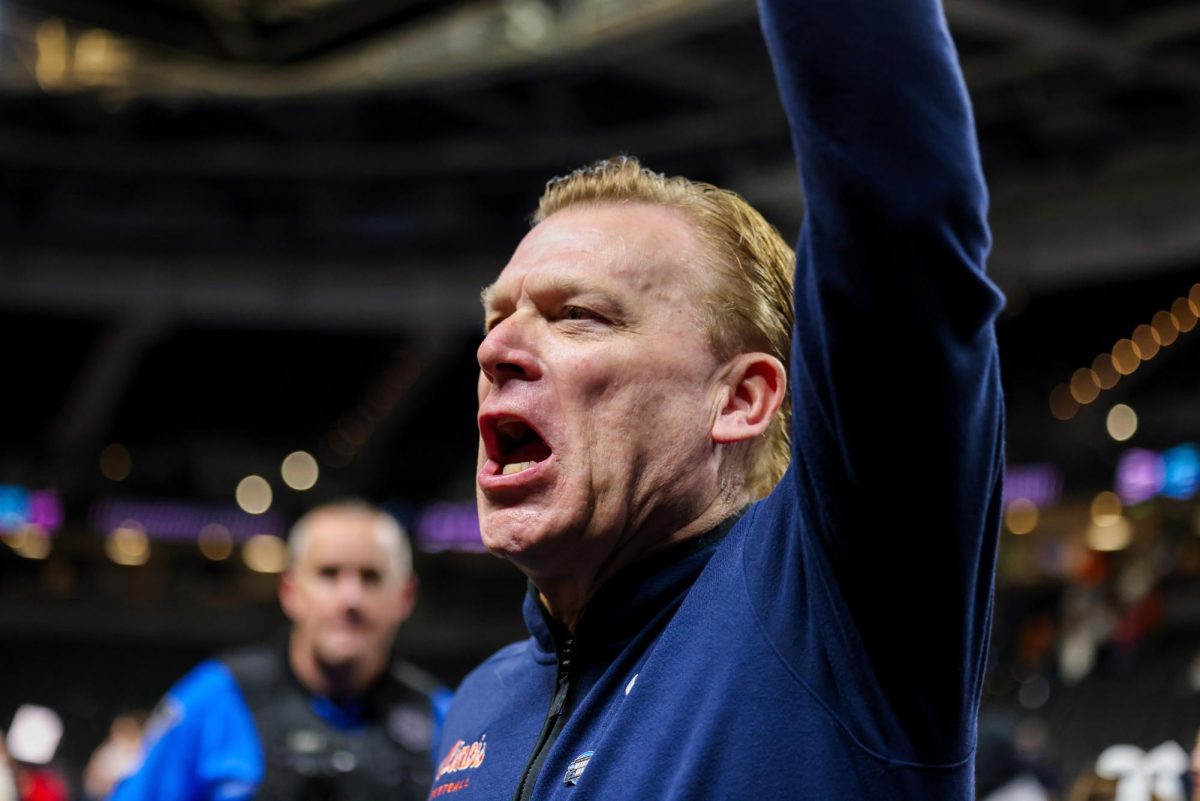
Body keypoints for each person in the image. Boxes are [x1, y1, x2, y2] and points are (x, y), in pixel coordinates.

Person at [430, 0, 1004, 797]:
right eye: (497, 318)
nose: (495, 350)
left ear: (741, 399)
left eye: (578, 316)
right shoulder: (477, 706)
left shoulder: (835, 612)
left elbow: (901, 209)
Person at [111, 501, 446, 801]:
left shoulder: (444, 718)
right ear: (290, 591)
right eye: (328, 574)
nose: (350, 599)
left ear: (405, 597)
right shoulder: (217, 698)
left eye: (371, 577)